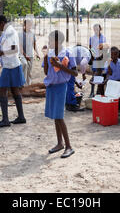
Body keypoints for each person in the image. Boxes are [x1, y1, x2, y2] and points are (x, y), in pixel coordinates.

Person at [44, 30, 77, 158]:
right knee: (55, 116)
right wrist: (46, 61)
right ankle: (60, 143)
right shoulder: (50, 54)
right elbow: (46, 72)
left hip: (61, 86)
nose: (48, 42)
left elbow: (74, 73)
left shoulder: (68, 53)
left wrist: (60, 65)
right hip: (51, 86)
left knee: (59, 115)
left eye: (50, 40)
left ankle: (69, 146)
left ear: (58, 42)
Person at [0, 15, 26, 128]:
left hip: (10, 65)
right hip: (11, 64)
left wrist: (2, 52)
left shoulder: (9, 32)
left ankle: (5, 120)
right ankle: (21, 117)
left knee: (2, 90)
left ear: (2, 23)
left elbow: (15, 49)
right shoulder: (8, 31)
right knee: (14, 89)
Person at [65, 45, 91, 112]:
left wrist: (76, 82)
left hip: (66, 59)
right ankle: (72, 105)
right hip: (69, 61)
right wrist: (83, 75)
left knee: (68, 83)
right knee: (70, 85)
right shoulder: (88, 54)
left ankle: (67, 103)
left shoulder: (83, 50)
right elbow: (82, 63)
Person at [18, 19, 40, 86]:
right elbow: (20, 46)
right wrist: (25, 55)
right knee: (24, 65)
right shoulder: (20, 34)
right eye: (28, 25)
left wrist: (37, 53)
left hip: (30, 54)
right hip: (22, 54)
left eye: (30, 25)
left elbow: (34, 44)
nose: (29, 27)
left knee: (29, 71)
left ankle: (28, 85)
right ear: (24, 25)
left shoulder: (32, 34)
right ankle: (22, 84)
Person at [89, 24, 107, 97]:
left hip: (102, 58)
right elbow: (91, 48)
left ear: (100, 29)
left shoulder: (103, 38)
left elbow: (104, 47)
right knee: (94, 74)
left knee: (101, 75)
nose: (96, 30)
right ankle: (92, 92)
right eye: (95, 29)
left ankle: (98, 91)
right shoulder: (92, 38)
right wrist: (93, 57)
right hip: (95, 58)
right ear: (93, 29)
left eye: (98, 29)